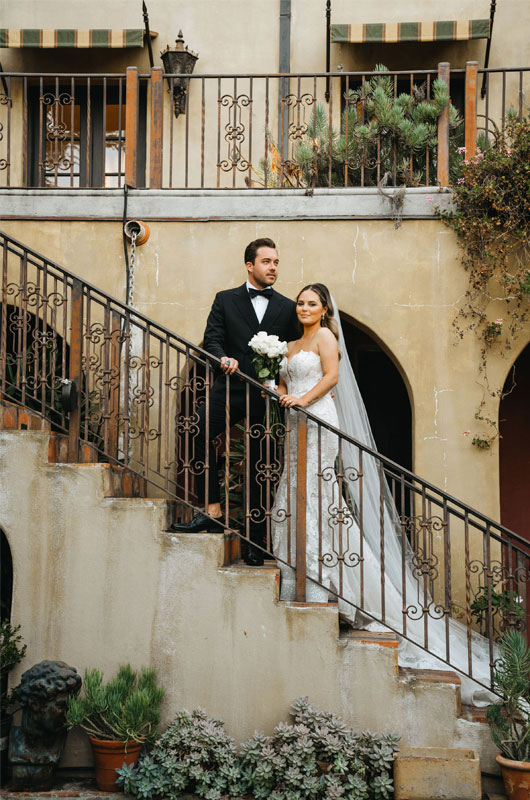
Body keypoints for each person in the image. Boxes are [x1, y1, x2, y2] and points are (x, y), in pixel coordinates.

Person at [271, 283, 494, 706]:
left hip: (318, 418)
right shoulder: (291, 342)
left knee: (320, 494)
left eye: (311, 303)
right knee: (296, 492)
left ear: (323, 310)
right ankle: (300, 574)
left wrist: (302, 399)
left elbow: (332, 377)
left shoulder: (324, 338)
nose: (304, 308)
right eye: (300, 303)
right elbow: (282, 379)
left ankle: (329, 588)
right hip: (295, 422)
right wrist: (282, 393)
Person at [171, 238, 299, 566]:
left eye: (276, 262)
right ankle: (212, 511)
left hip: (264, 397)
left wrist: (283, 381)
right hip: (227, 388)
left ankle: (254, 543)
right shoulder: (225, 300)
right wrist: (221, 357)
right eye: (267, 261)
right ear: (249, 265)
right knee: (197, 429)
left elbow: (297, 348)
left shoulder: (286, 307)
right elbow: (212, 338)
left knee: (258, 464)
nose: (273, 267)